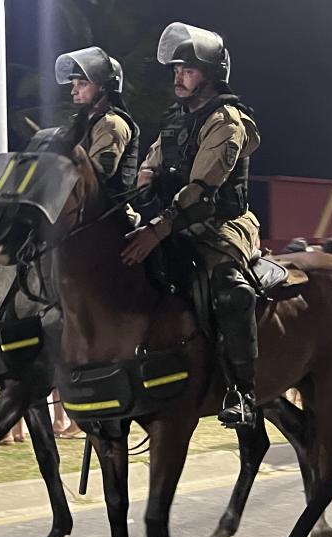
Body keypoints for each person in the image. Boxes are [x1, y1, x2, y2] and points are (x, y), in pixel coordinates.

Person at [122, 22, 261, 426]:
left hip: (222, 224)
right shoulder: (175, 120)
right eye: (176, 70)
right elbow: (146, 171)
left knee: (229, 290)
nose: (178, 78)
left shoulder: (226, 120)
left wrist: (156, 229)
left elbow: (202, 190)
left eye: (188, 70)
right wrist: (142, 197)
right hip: (174, 222)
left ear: (211, 75)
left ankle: (243, 390)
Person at [54, 45, 140, 211]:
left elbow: (94, 176)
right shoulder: (81, 123)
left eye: (82, 84)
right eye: (73, 84)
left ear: (104, 87)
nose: (74, 91)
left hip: (107, 216)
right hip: (79, 209)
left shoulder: (112, 124)